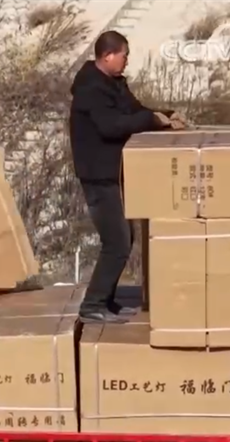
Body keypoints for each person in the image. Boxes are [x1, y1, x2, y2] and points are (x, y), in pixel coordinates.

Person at [69, 30, 185, 324]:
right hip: (98, 176)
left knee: (124, 238)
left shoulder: (114, 83)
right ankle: (93, 305)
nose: (126, 61)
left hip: (113, 173)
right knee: (117, 242)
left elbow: (135, 110)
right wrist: (150, 119)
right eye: (124, 55)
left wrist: (164, 116)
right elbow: (110, 126)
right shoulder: (91, 89)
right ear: (108, 55)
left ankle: (106, 300)